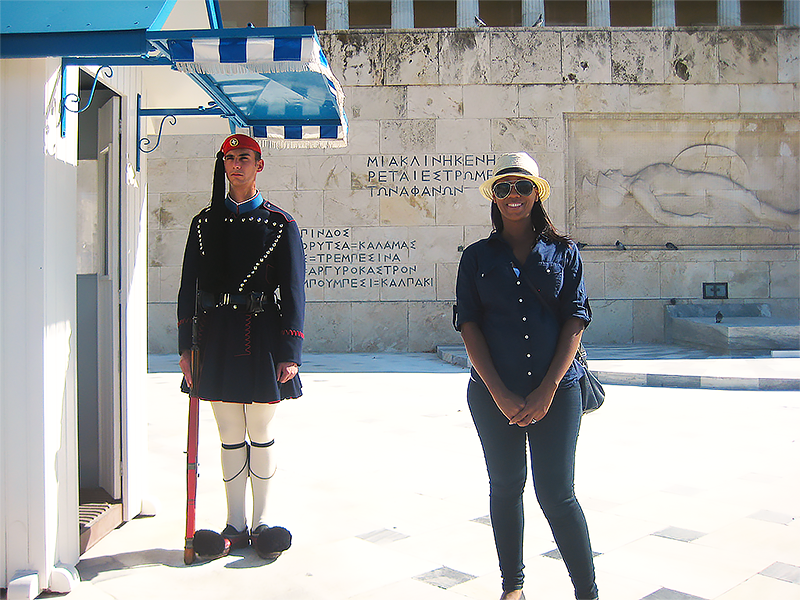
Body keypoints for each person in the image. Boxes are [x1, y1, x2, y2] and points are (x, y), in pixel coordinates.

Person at [455, 152, 598, 600]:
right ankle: (512, 588)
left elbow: (575, 320)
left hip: (558, 390)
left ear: (537, 194)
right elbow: (469, 324)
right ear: (493, 198)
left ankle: (587, 593)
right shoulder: (476, 257)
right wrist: (498, 392)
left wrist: (547, 389)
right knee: (505, 488)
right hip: (494, 392)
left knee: (557, 495)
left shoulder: (564, 251)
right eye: (503, 188)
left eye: (521, 187)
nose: (512, 196)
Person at [177, 133, 305, 560]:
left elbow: (293, 291)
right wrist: (185, 347)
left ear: (259, 165)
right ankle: (235, 523)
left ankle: (263, 520)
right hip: (215, 337)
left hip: (264, 336)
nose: (236, 165)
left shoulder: (279, 224)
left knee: (261, 431)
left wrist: (291, 350)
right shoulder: (204, 223)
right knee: (230, 433)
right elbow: (187, 290)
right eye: (230, 158)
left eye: (245, 158)